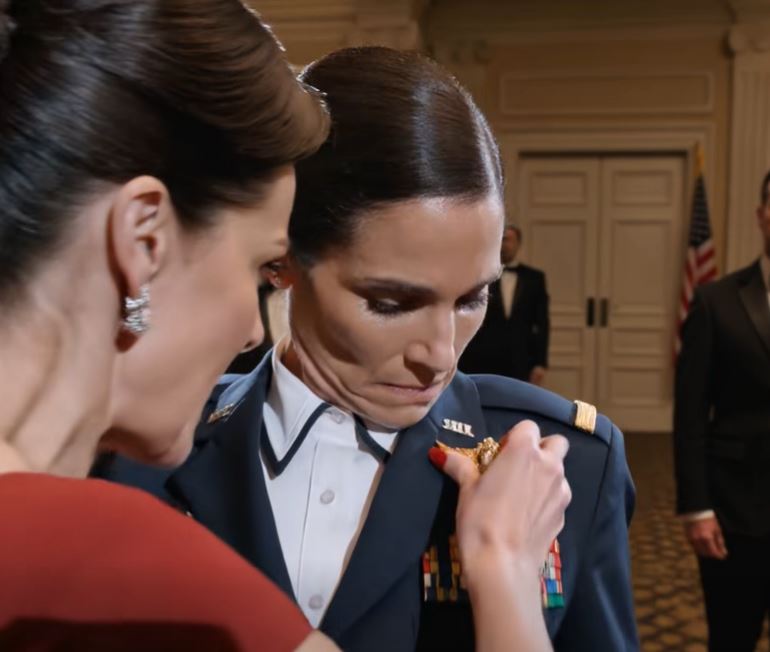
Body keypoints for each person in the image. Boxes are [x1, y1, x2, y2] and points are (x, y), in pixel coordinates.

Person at [0, 2, 571, 651]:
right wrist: (505, 574)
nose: (253, 329)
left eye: (473, 298)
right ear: (143, 241)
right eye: (260, 265)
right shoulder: (152, 569)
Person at [98, 47, 637, 652]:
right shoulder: (136, 450)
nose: (440, 355)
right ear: (282, 259)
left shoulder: (569, 466)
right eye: (391, 302)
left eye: (472, 298)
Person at [674, 170, 770, 652]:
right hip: (736, 513)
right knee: (732, 639)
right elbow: (690, 414)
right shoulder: (716, 302)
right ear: (762, 215)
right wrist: (697, 507)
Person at [459, 224, 550, 385]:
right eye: (501, 239)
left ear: (518, 244)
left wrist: (540, 362)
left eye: (508, 239)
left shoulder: (534, 278)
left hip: (521, 357)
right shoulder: (481, 274)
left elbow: (542, 322)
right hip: (482, 356)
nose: (504, 244)